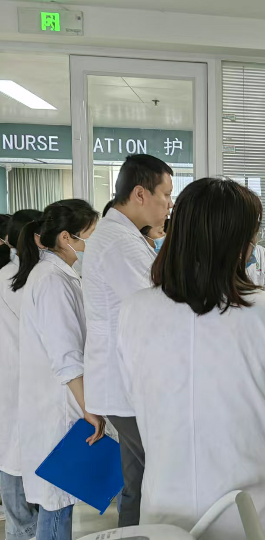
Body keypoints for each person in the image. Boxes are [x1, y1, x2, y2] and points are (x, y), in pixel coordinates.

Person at [117, 178, 265, 540]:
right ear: (238, 241)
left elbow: (134, 396)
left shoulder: (134, 310)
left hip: (167, 500)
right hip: (252, 503)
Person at [82, 154, 173, 527]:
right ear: (140, 194)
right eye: (165, 194)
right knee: (158, 472)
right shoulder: (119, 241)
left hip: (121, 379)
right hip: (122, 382)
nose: (169, 203)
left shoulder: (123, 236)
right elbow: (155, 306)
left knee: (136, 480)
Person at [11, 200, 105, 540]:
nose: (92, 243)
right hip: (58, 408)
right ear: (67, 237)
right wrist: (89, 408)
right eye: (89, 235)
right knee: (56, 508)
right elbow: (66, 355)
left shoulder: (58, 275)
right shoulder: (52, 280)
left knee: (59, 503)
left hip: (58, 405)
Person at [0, 209, 42, 540]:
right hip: (28, 385)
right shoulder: (38, 278)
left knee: (13, 458)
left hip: (14, 385)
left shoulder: (8, 276)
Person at [246, 226, 265, 293]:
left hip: (260, 298)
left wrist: (258, 296)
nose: (256, 240)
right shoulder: (229, 254)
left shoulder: (262, 253)